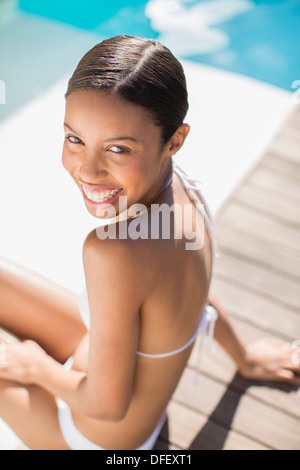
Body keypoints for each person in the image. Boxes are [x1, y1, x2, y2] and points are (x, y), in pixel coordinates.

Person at [0, 35, 299, 451]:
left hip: (96, 435)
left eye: (118, 149)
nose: (87, 170)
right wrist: (244, 358)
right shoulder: (183, 189)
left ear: (175, 139)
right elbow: (198, 297)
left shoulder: (114, 252)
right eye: (75, 139)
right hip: (112, 377)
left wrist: (35, 368)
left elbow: (106, 405)